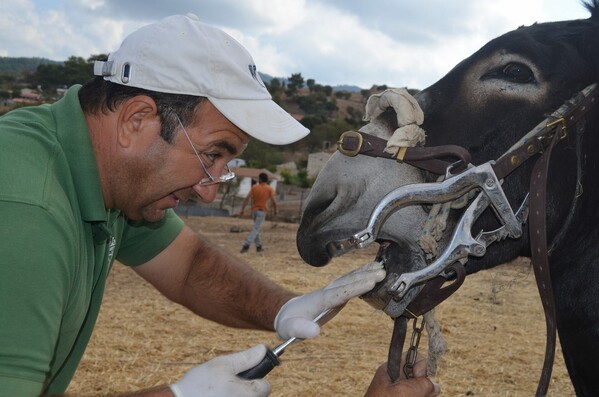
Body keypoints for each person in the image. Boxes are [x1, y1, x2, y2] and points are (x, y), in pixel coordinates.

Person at [0, 14, 439, 397]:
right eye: (212, 154)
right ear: (136, 120)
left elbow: (188, 266)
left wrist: (285, 309)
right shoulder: (24, 212)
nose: (209, 191)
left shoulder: (110, 178)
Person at [239, 172, 277, 253]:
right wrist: (275, 210)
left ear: (260, 179)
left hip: (254, 211)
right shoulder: (270, 189)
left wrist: (242, 209)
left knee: (257, 229)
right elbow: (274, 201)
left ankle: (259, 246)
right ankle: (246, 244)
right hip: (262, 211)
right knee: (256, 228)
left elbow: (247, 199)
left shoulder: (254, 187)